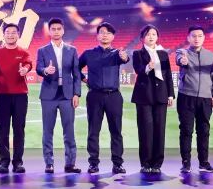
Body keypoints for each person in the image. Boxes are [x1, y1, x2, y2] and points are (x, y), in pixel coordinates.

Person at [78, 22, 129, 175]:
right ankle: (93, 163)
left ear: (113, 36)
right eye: (102, 32)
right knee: (93, 131)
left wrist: (124, 57)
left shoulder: (117, 53)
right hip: (94, 96)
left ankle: (117, 164)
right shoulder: (88, 53)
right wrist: (84, 79)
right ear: (97, 35)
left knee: (116, 131)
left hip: (114, 96)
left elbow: (125, 59)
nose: (105, 35)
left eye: (108, 33)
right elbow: (75, 68)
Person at [35, 18, 81, 174]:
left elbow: (76, 74)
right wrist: (45, 71)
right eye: (53, 29)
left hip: (67, 95)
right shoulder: (42, 50)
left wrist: (76, 93)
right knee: (48, 131)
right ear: (49, 31)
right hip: (48, 95)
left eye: (58, 29)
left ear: (63, 30)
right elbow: (38, 68)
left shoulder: (72, 50)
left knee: (69, 131)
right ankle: (49, 163)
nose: (56, 31)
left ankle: (70, 164)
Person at [0, 23, 32, 174]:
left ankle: (18, 162)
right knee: (3, 129)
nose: (11, 35)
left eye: (14, 32)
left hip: (20, 96)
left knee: (19, 129)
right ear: (4, 35)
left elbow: (28, 64)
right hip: (2, 96)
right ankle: (4, 162)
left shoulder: (23, 53)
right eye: (8, 32)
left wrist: (25, 69)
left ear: (18, 35)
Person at [175, 26, 213, 174]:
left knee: (204, 131)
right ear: (188, 38)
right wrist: (182, 60)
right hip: (186, 97)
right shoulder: (182, 52)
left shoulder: (210, 56)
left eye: (200, 36)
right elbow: (179, 60)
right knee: (186, 130)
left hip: (205, 98)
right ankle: (186, 163)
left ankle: (204, 163)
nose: (197, 38)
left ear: (204, 38)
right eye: (193, 36)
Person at [130, 25, 174, 174]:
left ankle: (157, 163)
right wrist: (148, 67)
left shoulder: (163, 54)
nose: (151, 37)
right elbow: (138, 70)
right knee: (145, 130)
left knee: (159, 129)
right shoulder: (138, 53)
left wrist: (170, 95)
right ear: (143, 38)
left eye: (154, 34)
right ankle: (145, 163)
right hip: (144, 97)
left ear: (157, 37)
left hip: (161, 96)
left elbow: (168, 75)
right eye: (148, 34)